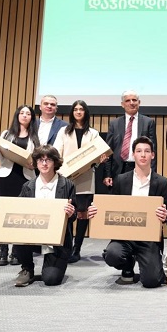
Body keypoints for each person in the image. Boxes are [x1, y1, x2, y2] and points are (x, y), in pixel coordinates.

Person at [0, 145, 95, 287]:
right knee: (19, 232)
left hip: (57, 241)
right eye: (40, 160)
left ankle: (51, 266)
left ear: (55, 162)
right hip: (32, 237)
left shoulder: (67, 185)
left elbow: (73, 217)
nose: (44, 163)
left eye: (48, 160)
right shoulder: (28, 186)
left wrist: (71, 213)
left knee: (51, 279)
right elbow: (16, 210)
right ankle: (27, 268)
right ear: (36, 163)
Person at [102, 136, 167, 288]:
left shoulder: (162, 182)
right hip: (124, 236)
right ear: (133, 154)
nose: (143, 155)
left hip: (149, 239)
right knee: (112, 255)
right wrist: (97, 211)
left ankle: (149, 263)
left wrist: (165, 215)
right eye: (139, 151)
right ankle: (128, 263)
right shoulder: (121, 180)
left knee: (152, 281)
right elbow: (111, 208)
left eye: (147, 151)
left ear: (153, 155)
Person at [53, 100, 107, 263]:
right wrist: (63, 168)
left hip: (86, 178)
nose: (78, 112)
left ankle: (77, 249)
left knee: (83, 214)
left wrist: (100, 160)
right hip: (66, 178)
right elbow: (56, 152)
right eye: (75, 109)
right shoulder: (63, 131)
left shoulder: (93, 133)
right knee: (68, 213)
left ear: (86, 112)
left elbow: (97, 156)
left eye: (81, 109)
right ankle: (67, 248)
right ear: (72, 112)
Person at [0, 104, 40, 266]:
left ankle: (16, 251)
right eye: (22, 113)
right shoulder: (6, 134)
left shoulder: (35, 137)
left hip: (26, 178)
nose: (24, 115)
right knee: (2, 213)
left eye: (28, 113)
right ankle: (3, 251)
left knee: (20, 216)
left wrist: (35, 164)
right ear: (17, 115)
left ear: (32, 118)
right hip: (6, 177)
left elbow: (39, 159)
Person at [103, 90, 158, 186]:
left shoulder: (148, 122)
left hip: (140, 168)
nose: (131, 103)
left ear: (139, 102)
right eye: (128, 100)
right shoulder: (114, 124)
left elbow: (153, 150)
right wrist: (107, 174)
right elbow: (109, 151)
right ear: (122, 104)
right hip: (119, 169)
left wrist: (152, 173)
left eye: (134, 100)